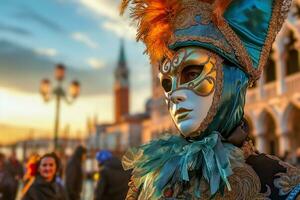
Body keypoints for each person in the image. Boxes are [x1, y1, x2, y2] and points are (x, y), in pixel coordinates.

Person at [120, 0, 300, 199]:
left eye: (192, 73)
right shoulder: (148, 181)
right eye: (167, 84)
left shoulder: (284, 185)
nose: (175, 95)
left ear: (232, 80)